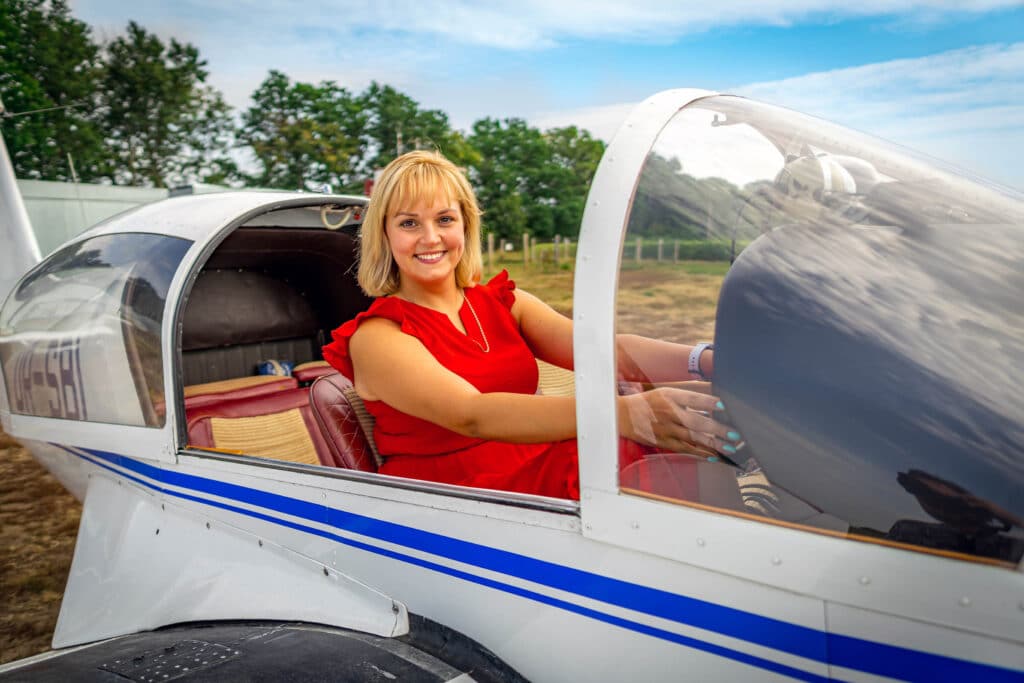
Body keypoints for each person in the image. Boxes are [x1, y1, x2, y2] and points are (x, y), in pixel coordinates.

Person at [323, 150, 739, 500]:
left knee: (695, 423)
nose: (430, 237)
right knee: (623, 446)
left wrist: (704, 362)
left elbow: (600, 352)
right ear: (385, 234)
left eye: (445, 219)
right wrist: (623, 413)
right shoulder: (377, 337)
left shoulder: (505, 303)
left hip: (534, 467)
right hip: (456, 501)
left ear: (466, 225)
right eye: (409, 223)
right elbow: (472, 414)